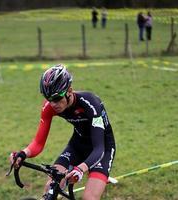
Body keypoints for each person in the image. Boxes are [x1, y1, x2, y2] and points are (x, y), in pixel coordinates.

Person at [9, 64, 116, 200]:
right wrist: (23, 153)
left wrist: (80, 169)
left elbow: (99, 148)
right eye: (49, 99)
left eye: (57, 98)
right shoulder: (49, 107)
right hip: (77, 146)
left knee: (89, 198)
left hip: (102, 149)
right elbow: (38, 143)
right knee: (50, 188)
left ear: (69, 91)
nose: (53, 104)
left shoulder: (90, 103)